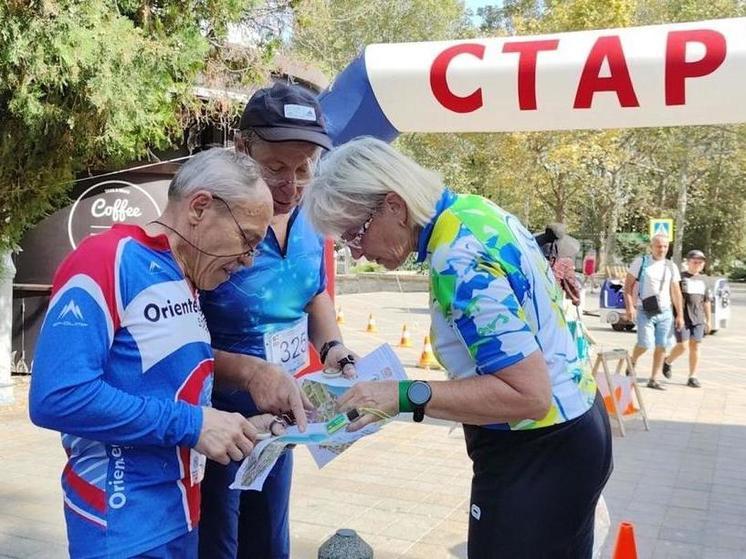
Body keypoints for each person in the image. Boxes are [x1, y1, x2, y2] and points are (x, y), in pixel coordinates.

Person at [302, 137, 613, 559]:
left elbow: (529, 395)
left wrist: (401, 396)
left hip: (537, 452)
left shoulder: (457, 258)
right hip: (573, 428)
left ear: (394, 205)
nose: (356, 255)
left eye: (355, 234)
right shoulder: (470, 212)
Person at [29, 149, 288, 558]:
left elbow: (161, 385)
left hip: (179, 519)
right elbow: (57, 396)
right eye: (247, 238)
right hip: (121, 529)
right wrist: (193, 423)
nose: (249, 258)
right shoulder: (108, 258)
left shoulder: (183, 274)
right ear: (200, 207)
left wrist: (242, 424)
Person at [199, 83, 358, 559]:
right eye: (275, 170)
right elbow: (172, 341)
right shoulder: (214, 224)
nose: (291, 185)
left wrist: (333, 348)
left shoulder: (311, 217)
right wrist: (250, 373)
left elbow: (314, 293)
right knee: (217, 545)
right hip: (214, 419)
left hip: (283, 420)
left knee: (269, 541)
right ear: (243, 149)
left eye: (304, 169)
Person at [623, 234, 684, 390]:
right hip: (644, 310)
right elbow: (628, 286)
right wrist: (630, 306)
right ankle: (633, 360)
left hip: (665, 312)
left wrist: (680, 315)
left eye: (665, 246)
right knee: (644, 343)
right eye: (658, 246)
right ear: (651, 247)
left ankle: (654, 379)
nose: (662, 249)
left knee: (662, 345)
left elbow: (676, 292)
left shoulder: (671, 266)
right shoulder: (641, 262)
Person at [663, 249, 712, 387]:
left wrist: (709, 320)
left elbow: (706, 301)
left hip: (698, 319)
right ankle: (667, 361)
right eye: (694, 261)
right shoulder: (680, 278)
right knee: (683, 346)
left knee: (695, 346)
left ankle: (693, 377)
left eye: (700, 262)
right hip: (682, 317)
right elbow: (673, 296)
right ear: (688, 262)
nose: (697, 264)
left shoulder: (704, 280)